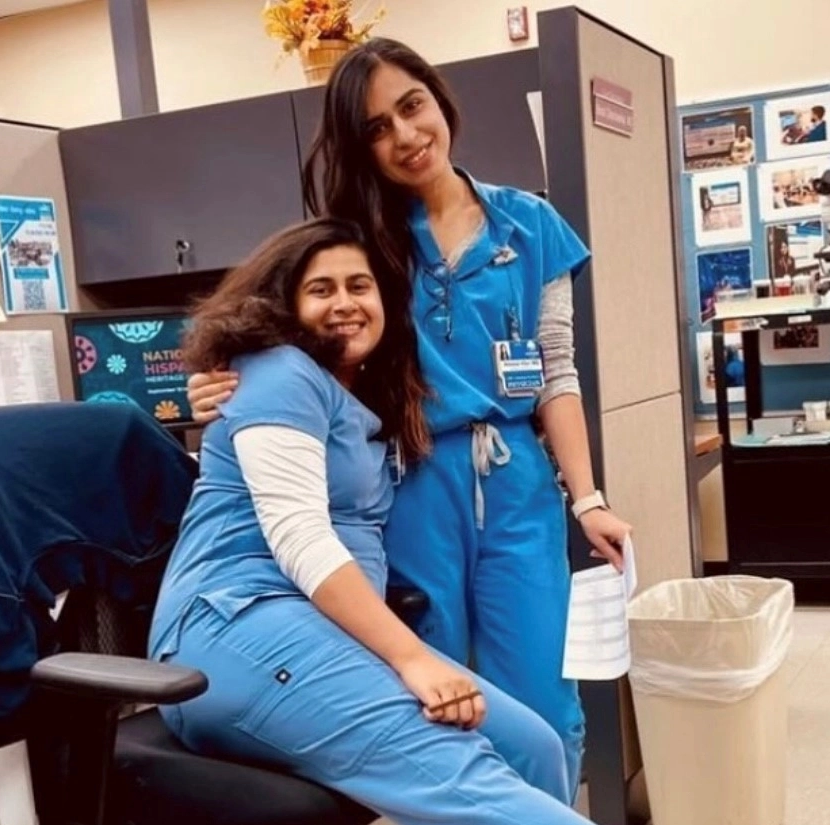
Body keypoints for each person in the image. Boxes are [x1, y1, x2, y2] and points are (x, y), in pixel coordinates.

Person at [186, 37, 632, 794]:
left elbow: (557, 368)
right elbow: (294, 337)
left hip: (518, 484)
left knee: (542, 703)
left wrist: (587, 497)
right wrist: (223, 380)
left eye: (411, 106)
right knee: (437, 696)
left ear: (439, 99)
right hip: (409, 478)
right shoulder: (366, 239)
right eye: (377, 128)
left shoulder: (530, 224)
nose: (405, 135)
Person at [149, 218, 592, 825]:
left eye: (359, 286)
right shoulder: (279, 373)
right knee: (481, 785)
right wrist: (413, 658)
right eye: (320, 289)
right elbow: (299, 537)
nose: (345, 304)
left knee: (534, 747)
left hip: (317, 632)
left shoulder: (362, 402)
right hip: (233, 632)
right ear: (285, 305)